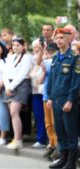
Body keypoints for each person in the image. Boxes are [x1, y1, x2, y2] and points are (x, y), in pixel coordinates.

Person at [47, 28, 80, 169]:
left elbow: (76, 81)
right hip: (56, 100)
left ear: (69, 39)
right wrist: (50, 96)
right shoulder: (55, 58)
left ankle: (71, 161)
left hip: (68, 100)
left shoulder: (75, 58)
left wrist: (70, 100)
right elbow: (52, 80)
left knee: (70, 130)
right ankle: (63, 158)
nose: (59, 40)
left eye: (62, 37)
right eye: (57, 38)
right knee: (60, 130)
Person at [3, 38, 33, 149]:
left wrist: (11, 87)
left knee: (14, 112)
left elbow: (22, 73)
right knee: (12, 113)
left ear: (23, 46)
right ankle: (15, 138)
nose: (15, 47)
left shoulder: (27, 57)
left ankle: (18, 139)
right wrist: (7, 86)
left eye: (18, 45)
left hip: (20, 85)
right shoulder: (10, 57)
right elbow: (5, 72)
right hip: (9, 85)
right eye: (14, 45)